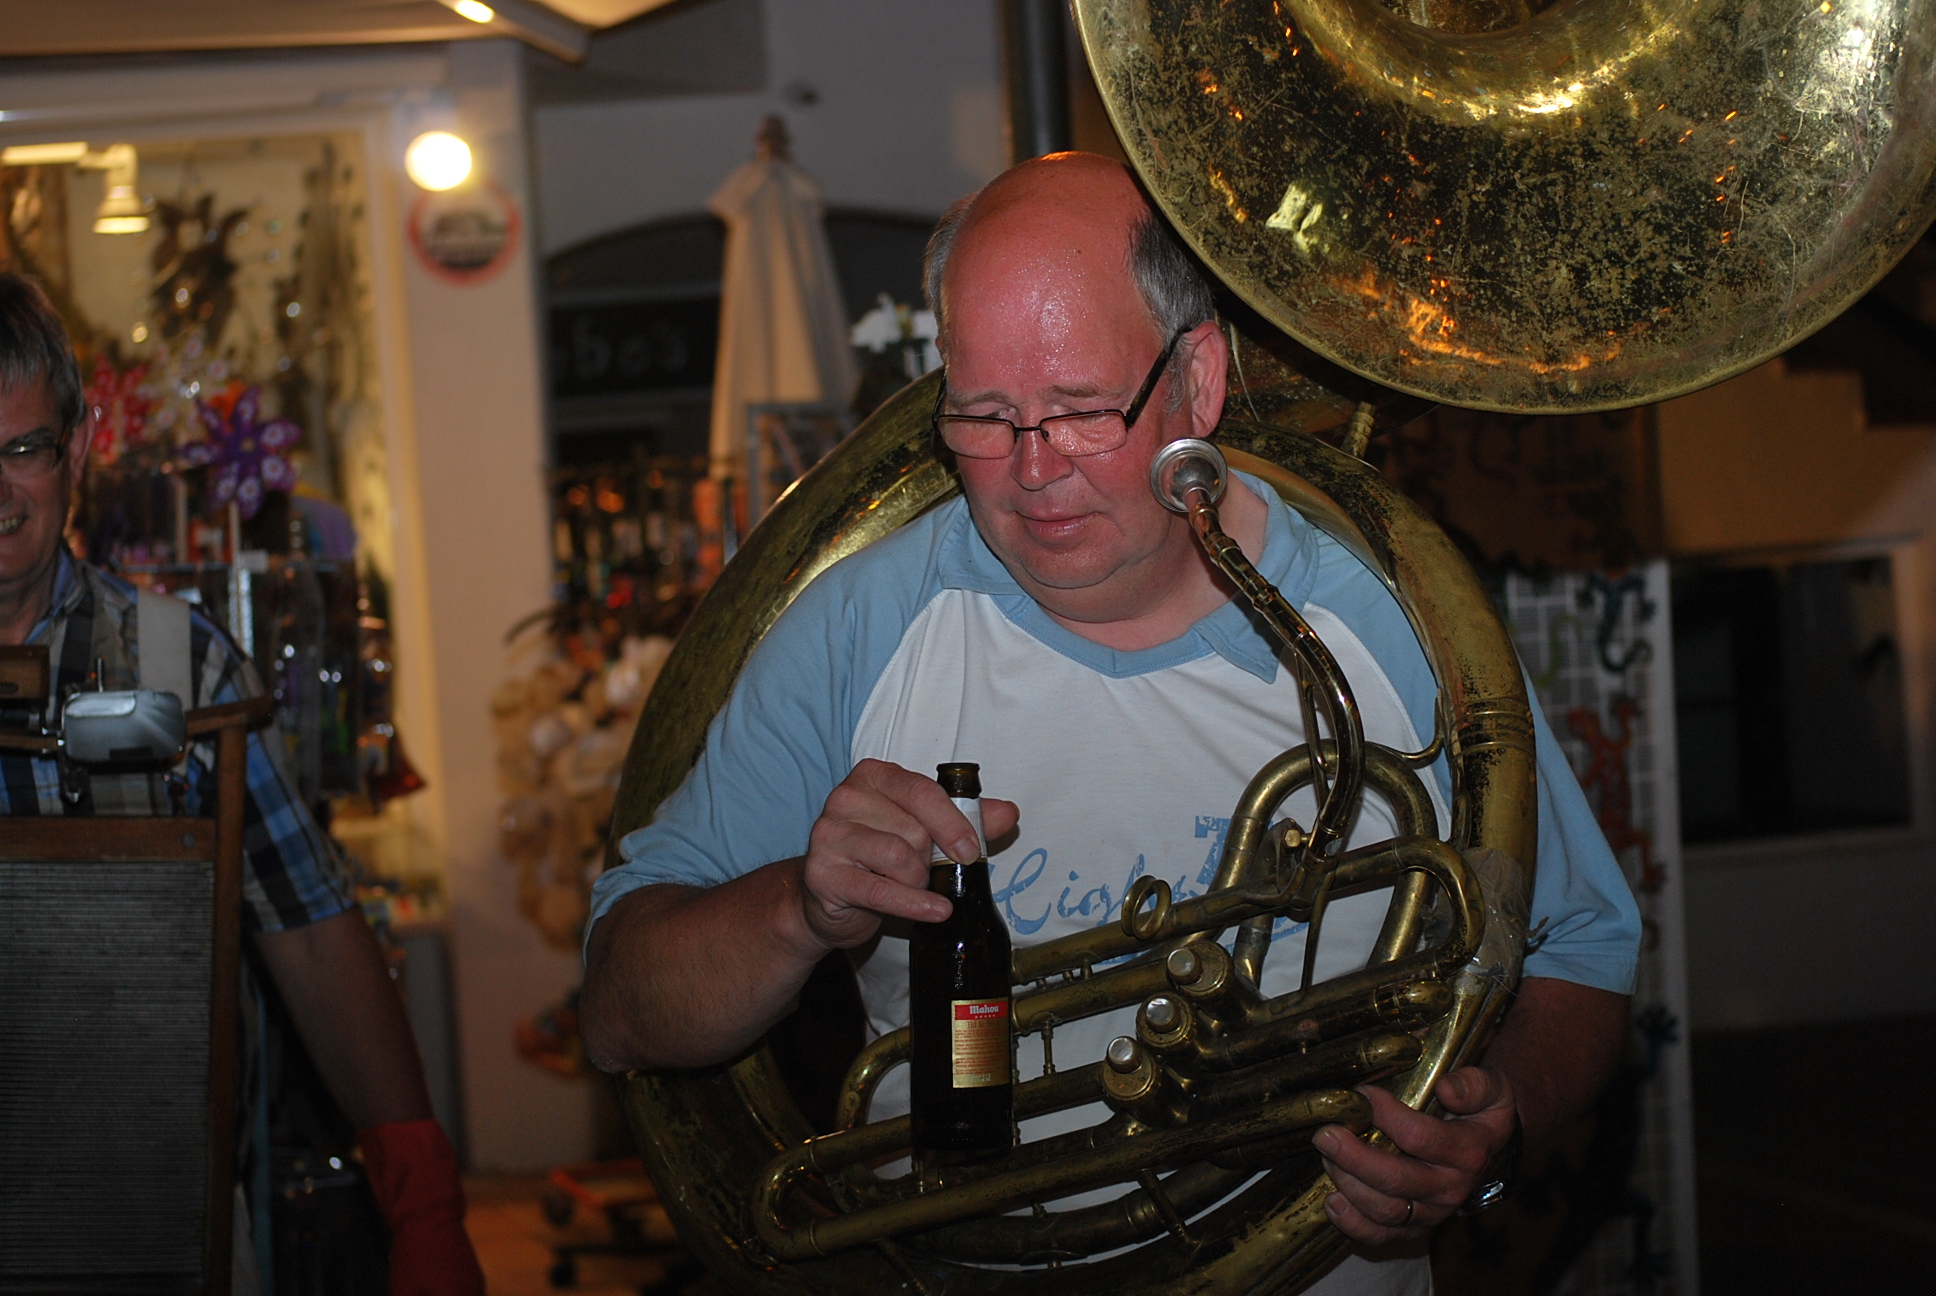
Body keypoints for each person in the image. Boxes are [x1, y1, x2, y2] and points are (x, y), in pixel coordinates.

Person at [580, 154, 1640, 1293]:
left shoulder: (1397, 620)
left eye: (1082, 411)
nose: (1033, 470)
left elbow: (1579, 951)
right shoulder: (858, 625)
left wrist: (1496, 1120)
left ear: (1200, 377)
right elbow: (620, 1014)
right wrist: (798, 906)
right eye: (982, 416)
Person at [0, 272, 484, 1296]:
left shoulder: (180, 669)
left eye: (22, 449)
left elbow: (309, 931)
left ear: (76, 451)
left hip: (162, 1225)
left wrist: (423, 1199)